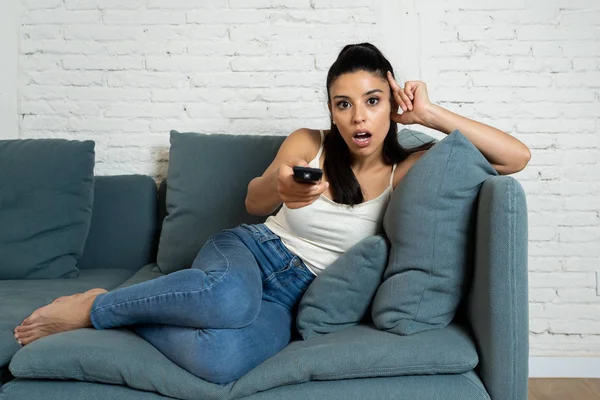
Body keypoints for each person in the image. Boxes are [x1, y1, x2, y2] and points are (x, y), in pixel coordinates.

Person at [13, 42, 531, 385]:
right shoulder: (310, 143)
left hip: (294, 294)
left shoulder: (412, 166)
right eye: (342, 103)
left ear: (391, 100)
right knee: (226, 296)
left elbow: (515, 158)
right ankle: (97, 307)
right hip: (248, 252)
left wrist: (429, 114)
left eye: (372, 100)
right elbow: (254, 202)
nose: (358, 117)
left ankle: (128, 313)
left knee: (221, 362)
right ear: (330, 109)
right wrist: (282, 188)